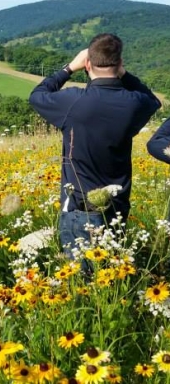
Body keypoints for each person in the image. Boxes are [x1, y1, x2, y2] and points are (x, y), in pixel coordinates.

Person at [29, 33, 161, 256]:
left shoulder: (73, 100)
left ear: (87, 64)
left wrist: (69, 68)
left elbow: (37, 95)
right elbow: (153, 100)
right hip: (117, 207)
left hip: (79, 208)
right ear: (119, 63)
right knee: (112, 276)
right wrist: (125, 75)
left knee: (81, 280)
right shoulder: (134, 103)